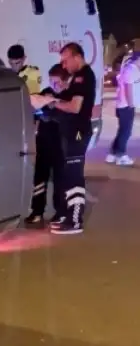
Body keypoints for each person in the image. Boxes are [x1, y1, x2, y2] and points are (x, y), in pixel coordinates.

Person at [46, 42, 97, 234]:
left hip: (78, 132)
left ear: (77, 57)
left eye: (66, 60)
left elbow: (74, 107)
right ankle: (68, 215)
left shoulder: (84, 77)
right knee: (68, 174)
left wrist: (53, 102)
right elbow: (65, 97)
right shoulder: (77, 77)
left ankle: (75, 221)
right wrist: (50, 99)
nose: (64, 65)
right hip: (72, 131)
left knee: (74, 175)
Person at [25, 64, 70, 224]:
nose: (53, 85)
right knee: (39, 178)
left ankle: (60, 211)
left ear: (65, 81)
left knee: (59, 179)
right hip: (43, 142)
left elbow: (68, 117)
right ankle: (37, 211)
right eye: (51, 81)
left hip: (60, 144)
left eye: (57, 82)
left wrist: (52, 112)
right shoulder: (45, 93)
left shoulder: (69, 97)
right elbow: (35, 110)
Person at [107, 51, 139, 165]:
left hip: (123, 105)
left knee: (122, 131)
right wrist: (131, 104)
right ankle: (121, 155)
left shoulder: (131, 69)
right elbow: (128, 87)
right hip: (126, 105)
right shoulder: (132, 70)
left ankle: (112, 154)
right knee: (126, 132)